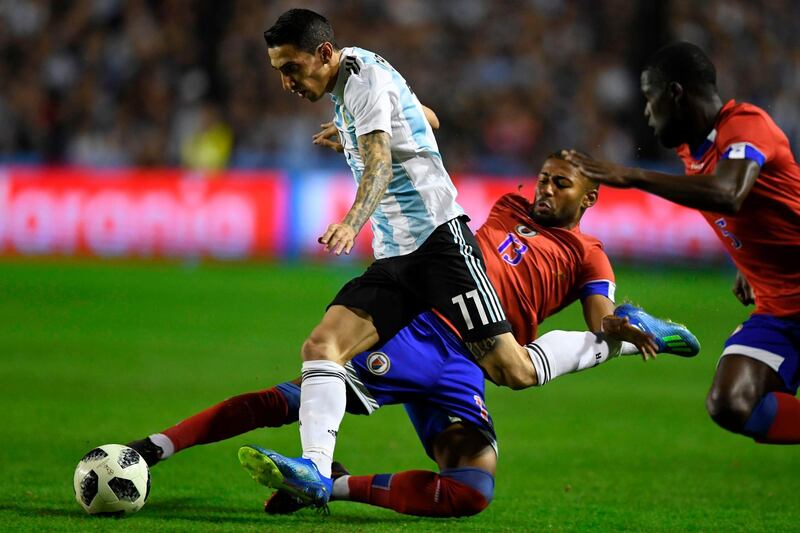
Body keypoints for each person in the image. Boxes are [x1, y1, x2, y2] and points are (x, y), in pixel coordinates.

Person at [127, 152, 700, 516]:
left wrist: (617, 327)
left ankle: (336, 484)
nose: (545, 191)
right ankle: (157, 447)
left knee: (471, 491)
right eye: (544, 179)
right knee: (292, 398)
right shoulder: (508, 207)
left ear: (590, 196)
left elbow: (597, 316)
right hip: (424, 330)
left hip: (469, 365)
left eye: (562, 185)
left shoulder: (589, 256)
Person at [260, 8, 550, 505]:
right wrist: (350, 131)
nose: (286, 82)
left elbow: (378, 161)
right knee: (321, 347)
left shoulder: (363, 79)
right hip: (397, 256)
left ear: (324, 54)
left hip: (440, 244)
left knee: (513, 371)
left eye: (291, 68)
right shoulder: (353, 85)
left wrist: (352, 220)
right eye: (279, 71)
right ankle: (314, 471)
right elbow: (425, 118)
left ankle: (615, 339)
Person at [566, 42, 800, 444]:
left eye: (649, 98)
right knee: (731, 403)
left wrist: (631, 176)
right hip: (779, 308)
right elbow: (753, 211)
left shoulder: (745, 123)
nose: (645, 113)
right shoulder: (691, 152)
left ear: (675, 93)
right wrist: (747, 265)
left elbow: (729, 193)